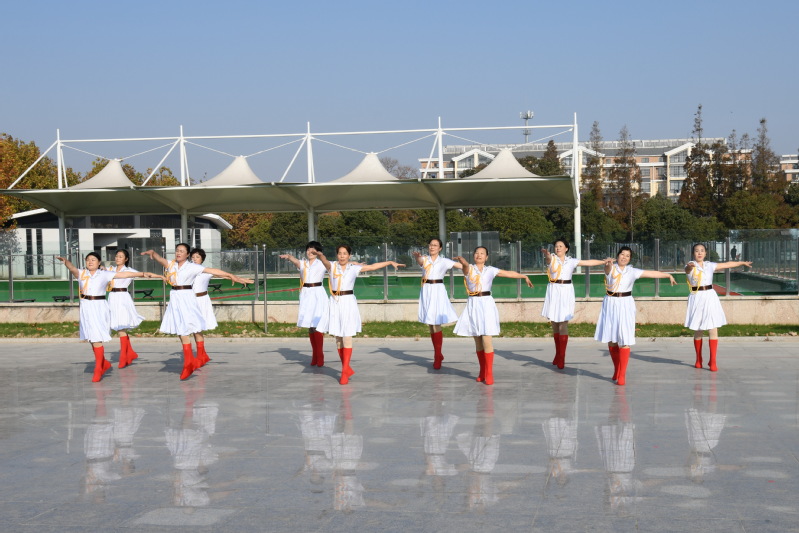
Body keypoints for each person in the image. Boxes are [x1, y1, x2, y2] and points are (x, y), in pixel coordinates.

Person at [141, 244, 252, 380]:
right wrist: (153, 253)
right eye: (177, 250)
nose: (178, 253)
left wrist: (231, 276)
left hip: (187, 297)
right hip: (175, 297)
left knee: (188, 328)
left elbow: (214, 271)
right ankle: (190, 361)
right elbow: (160, 259)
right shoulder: (172, 265)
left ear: (187, 254)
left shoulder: (192, 267)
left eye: (182, 251)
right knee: (180, 329)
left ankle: (190, 362)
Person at [56, 252, 163, 382]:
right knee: (91, 337)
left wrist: (143, 274)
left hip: (99, 306)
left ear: (99, 263)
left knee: (97, 337)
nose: (90, 262)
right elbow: (72, 268)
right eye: (88, 260)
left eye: (93, 260)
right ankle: (103, 363)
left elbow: (125, 274)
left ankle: (99, 368)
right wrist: (66, 261)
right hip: (86, 307)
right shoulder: (82, 273)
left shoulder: (104, 274)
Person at [316, 245, 404, 384]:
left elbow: (372, 267)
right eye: (340, 253)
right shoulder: (332, 266)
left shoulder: (353, 268)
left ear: (349, 255)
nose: (342, 256)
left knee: (347, 336)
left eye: (345, 253)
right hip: (334, 302)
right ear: (337, 255)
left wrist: (389, 262)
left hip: (348, 302)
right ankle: (345, 367)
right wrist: (320, 255)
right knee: (338, 338)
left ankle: (344, 371)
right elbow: (324, 261)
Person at [593, 246, 677, 386]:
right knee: (612, 339)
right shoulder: (611, 267)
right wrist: (607, 264)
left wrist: (668, 275)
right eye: (622, 254)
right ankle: (616, 369)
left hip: (626, 303)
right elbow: (607, 270)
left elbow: (651, 273)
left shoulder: (632, 271)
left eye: (627, 256)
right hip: (611, 303)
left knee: (624, 338)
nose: (624, 257)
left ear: (630, 259)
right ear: (617, 256)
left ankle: (622, 374)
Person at [452, 247, 533, 385]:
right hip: (473, 304)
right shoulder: (469, 268)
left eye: (482, 253)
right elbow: (465, 268)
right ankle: (482, 371)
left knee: (486, 338)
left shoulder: (490, 270)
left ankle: (489, 372)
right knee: (478, 340)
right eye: (476, 253)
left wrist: (524, 276)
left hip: (486, 304)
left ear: (487, 257)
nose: (479, 255)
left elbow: (508, 273)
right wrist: (463, 262)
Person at [541, 238, 610, 369]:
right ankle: (558, 354)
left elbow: (587, 262)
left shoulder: (571, 261)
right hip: (554, 290)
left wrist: (603, 261)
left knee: (563, 322)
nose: (558, 248)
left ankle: (562, 357)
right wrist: (547, 255)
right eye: (556, 246)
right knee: (555, 323)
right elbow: (548, 260)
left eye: (560, 246)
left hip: (566, 291)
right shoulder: (552, 258)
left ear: (566, 248)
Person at [684, 243, 752, 371]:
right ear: (693, 253)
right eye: (697, 251)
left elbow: (726, 264)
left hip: (710, 296)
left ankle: (713, 361)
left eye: (702, 250)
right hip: (697, 297)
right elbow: (687, 270)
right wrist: (689, 267)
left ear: (705, 253)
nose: (699, 253)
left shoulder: (709, 265)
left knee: (713, 328)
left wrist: (742, 263)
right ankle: (698, 359)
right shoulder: (690, 265)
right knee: (698, 329)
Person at [412, 238, 463, 370]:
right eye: (430, 245)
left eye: (435, 245)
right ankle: (438, 354)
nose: (432, 247)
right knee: (430, 323)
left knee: (436, 323)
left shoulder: (444, 261)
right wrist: (417, 257)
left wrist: (467, 264)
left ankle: (437, 355)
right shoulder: (425, 259)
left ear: (440, 248)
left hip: (438, 290)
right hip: (426, 290)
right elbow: (420, 262)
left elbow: (461, 266)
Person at [280, 241, 330, 367]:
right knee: (310, 325)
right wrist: (289, 257)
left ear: (318, 251)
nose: (310, 252)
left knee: (317, 325)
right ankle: (315, 354)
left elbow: (334, 265)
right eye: (308, 249)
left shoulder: (321, 263)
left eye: (313, 250)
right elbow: (296, 262)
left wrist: (354, 263)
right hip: (306, 294)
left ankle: (320, 354)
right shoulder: (304, 264)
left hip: (318, 293)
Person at [107, 249, 145, 369]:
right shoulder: (110, 269)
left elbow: (143, 274)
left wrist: (158, 276)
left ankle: (124, 356)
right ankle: (130, 353)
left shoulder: (129, 271)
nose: (117, 258)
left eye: (121, 256)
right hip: (112, 297)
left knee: (121, 326)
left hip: (122, 298)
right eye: (117, 256)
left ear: (126, 259)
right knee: (118, 325)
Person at [190, 248, 218, 368]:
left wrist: (235, 278)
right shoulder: (188, 270)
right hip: (190, 300)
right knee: (193, 328)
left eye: (197, 257)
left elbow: (221, 274)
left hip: (202, 300)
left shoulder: (206, 271)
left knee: (197, 328)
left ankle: (201, 355)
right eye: (193, 257)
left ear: (202, 259)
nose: (194, 259)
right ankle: (202, 355)